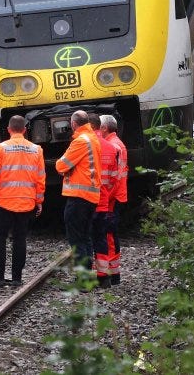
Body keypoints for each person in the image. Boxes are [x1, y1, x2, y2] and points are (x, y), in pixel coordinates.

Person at [0, 115, 46, 287]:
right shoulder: (36, 150)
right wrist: (39, 200)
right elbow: (40, 178)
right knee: (20, 239)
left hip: (5, 202)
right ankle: (17, 278)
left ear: (9, 130)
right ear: (25, 130)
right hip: (27, 202)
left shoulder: (0, 149)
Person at [55, 110, 101, 274]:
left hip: (78, 197)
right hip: (90, 196)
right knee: (85, 237)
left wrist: (63, 166)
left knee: (76, 239)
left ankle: (83, 278)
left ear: (73, 124)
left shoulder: (81, 141)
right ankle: (88, 277)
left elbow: (61, 165)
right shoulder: (93, 138)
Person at [93, 114, 128, 287]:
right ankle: (112, 273)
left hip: (111, 197)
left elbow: (114, 177)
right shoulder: (118, 144)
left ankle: (112, 274)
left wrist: (106, 197)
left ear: (104, 128)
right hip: (115, 195)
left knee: (109, 236)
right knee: (109, 234)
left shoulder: (113, 146)